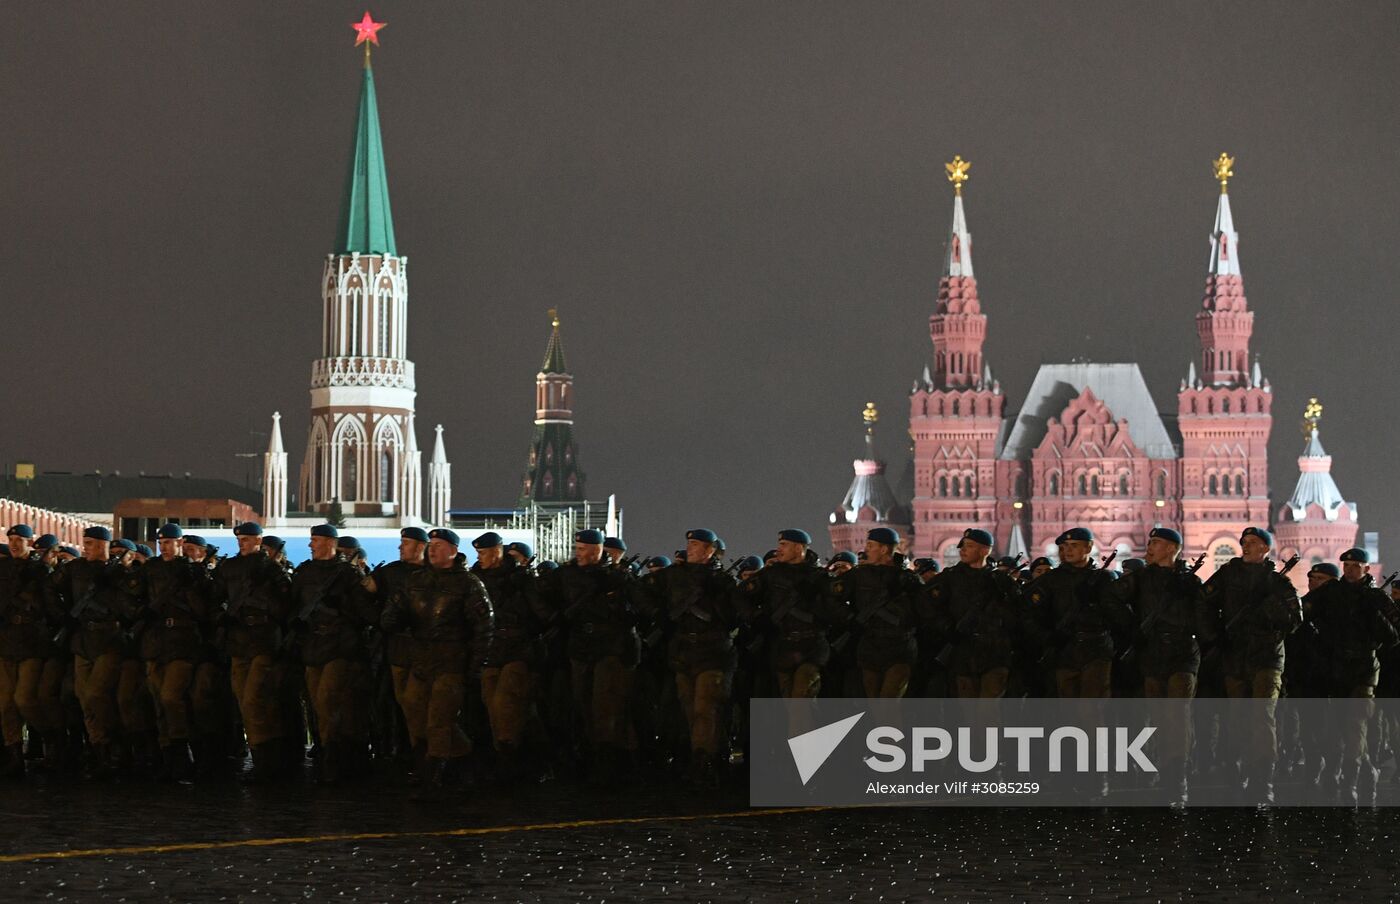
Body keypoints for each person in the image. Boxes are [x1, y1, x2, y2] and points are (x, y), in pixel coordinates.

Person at [1105, 527, 1213, 804]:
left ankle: (1177, 776)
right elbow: (1111, 598)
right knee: (1158, 716)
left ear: (1171, 548)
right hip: (1152, 653)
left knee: (1176, 715)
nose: (1149, 547)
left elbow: (1203, 619)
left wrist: (1208, 645)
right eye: (1150, 542)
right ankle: (1162, 767)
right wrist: (1131, 628)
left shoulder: (1189, 582)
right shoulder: (1141, 578)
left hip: (1182, 653)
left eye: (1156, 543)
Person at [384, 528, 492, 793]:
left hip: (451, 661)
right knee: (415, 714)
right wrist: (392, 618)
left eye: (439, 545)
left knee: (439, 719)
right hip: (420, 660)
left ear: (453, 550)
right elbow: (394, 612)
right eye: (430, 545)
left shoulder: (468, 584)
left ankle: (432, 776)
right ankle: (463, 760)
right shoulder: (415, 580)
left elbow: (483, 627)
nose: (432, 549)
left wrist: (475, 666)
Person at [1203, 526, 1302, 805]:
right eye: (1244, 542)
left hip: (1267, 658)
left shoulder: (1278, 583)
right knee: (1238, 716)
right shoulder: (1227, 575)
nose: (1246, 546)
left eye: (1253, 542)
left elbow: (1295, 620)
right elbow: (1203, 603)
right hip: (1235, 655)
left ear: (1265, 548)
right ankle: (1238, 768)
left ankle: (1262, 779)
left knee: (1262, 717)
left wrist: (1269, 607)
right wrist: (1214, 633)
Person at [635, 529, 741, 785]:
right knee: (689, 708)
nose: (690, 548)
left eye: (696, 544)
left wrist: (715, 597)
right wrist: (658, 613)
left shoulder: (722, 581)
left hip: (713, 652)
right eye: (689, 543)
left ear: (710, 550)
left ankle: (704, 761)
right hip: (683, 651)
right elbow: (639, 590)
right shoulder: (673, 575)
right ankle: (702, 756)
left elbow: (733, 616)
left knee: (706, 707)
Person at [538, 529, 639, 780]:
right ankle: (588, 754)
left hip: (610, 647)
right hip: (579, 647)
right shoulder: (565, 575)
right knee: (581, 703)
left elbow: (634, 612)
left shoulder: (618, 577)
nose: (578, 553)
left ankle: (607, 759)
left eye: (583, 549)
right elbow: (545, 599)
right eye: (578, 548)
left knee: (605, 704)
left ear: (597, 550)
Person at [1306, 548, 1399, 804]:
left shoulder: (1375, 598)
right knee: (1336, 726)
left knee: (1355, 724)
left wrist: (1374, 618)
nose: (1349, 570)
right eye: (1346, 565)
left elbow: (1393, 634)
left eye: (1355, 565)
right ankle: (1364, 769)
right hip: (1336, 670)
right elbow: (1305, 614)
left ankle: (1350, 777)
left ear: (1366, 569)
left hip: (1363, 671)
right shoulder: (1331, 593)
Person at [287, 524, 376, 784]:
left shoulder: (347, 575)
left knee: (328, 701)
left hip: (340, 647)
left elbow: (365, 614)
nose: (310, 545)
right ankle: (334, 757)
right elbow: (293, 605)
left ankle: (335, 761)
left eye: (315, 540)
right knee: (318, 704)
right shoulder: (304, 572)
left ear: (330, 543)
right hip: (312, 647)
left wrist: (342, 608)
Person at [51, 526, 141, 779]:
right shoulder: (76, 568)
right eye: (85, 543)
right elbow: (51, 585)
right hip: (82, 640)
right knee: (83, 697)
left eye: (90, 543)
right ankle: (100, 749)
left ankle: (115, 746)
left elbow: (133, 602)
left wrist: (116, 578)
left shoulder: (119, 573)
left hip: (109, 640)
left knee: (95, 694)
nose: (85, 547)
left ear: (103, 545)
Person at [212, 523, 292, 782]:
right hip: (238, 640)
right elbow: (215, 596)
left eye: (247, 540)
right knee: (245, 700)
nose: (242, 544)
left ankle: (267, 757)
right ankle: (266, 756)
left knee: (254, 698)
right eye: (240, 540)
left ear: (258, 540)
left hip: (263, 639)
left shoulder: (271, 568)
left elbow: (285, 602)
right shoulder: (231, 567)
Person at [470, 531, 552, 780]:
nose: (480, 558)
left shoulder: (521, 578)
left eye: (483, 553)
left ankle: (510, 759)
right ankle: (516, 757)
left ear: (497, 552)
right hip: (491, 648)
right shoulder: (477, 578)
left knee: (507, 703)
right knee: (496, 705)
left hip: (518, 648)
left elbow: (542, 614)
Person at [1028, 528, 1125, 699]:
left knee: (1092, 709)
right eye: (1065, 546)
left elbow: (1117, 615)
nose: (1068, 550)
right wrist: (1047, 637)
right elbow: (1032, 614)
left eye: (1074, 545)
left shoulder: (1104, 579)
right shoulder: (1051, 580)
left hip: (1096, 650)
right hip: (1064, 650)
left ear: (1088, 548)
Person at [833, 528, 929, 699]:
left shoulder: (907, 578)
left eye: (870, 545)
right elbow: (832, 598)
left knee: (888, 703)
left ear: (884, 549)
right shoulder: (858, 575)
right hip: (870, 646)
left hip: (899, 647)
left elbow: (924, 610)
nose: (866, 549)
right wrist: (849, 618)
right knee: (874, 703)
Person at [927, 529, 1022, 699]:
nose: (962, 550)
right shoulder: (950, 578)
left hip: (995, 654)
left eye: (969, 546)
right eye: (962, 546)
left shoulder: (1001, 580)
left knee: (988, 712)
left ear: (985, 550)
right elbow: (929, 607)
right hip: (963, 652)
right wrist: (947, 627)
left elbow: (1018, 611)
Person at [0, 525, 59, 776]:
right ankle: (14, 755)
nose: (14, 544)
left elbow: (53, 609)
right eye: (11, 539)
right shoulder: (3, 570)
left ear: (30, 542)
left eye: (20, 540)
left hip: (32, 641)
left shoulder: (40, 571)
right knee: (5, 704)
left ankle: (52, 740)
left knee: (24, 699)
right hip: (6, 640)